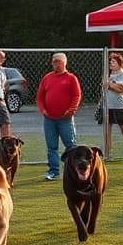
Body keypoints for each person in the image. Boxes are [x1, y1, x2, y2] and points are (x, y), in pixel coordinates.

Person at [37, 52, 82, 181]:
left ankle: (73, 170)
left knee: (70, 145)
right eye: (54, 61)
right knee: (52, 146)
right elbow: (40, 97)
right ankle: (54, 171)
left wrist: (71, 110)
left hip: (65, 119)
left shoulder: (71, 78)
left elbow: (77, 95)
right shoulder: (47, 78)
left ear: (64, 63)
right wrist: (43, 110)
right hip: (49, 119)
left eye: (58, 61)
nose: (55, 64)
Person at [103, 52, 123, 158]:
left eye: (113, 62)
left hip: (120, 106)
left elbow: (121, 89)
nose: (111, 63)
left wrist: (110, 84)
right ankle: (108, 153)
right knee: (107, 130)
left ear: (119, 63)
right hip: (108, 106)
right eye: (110, 61)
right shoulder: (108, 74)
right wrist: (109, 85)